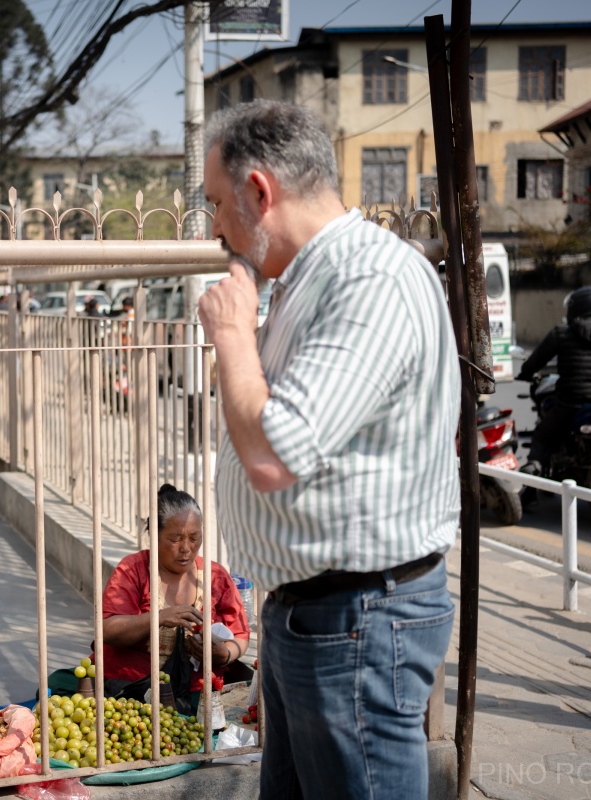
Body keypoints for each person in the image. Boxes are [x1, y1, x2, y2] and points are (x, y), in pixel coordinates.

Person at [197, 100, 459, 799]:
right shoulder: (310, 277)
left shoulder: (366, 280)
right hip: (318, 611)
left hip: (359, 618)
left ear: (260, 190)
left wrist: (231, 335)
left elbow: (274, 455)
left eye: (219, 203)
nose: (215, 226)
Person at [94, 484, 249, 712]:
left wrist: (225, 654)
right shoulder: (133, 570)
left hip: (199, 690)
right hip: (134, 687)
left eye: (194, 538)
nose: (186, 548)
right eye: (175, 539)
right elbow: (108, 628)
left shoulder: (215, 576)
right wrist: (158, 618)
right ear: (154, 536)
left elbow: (241, 634)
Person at [517, 286, 591, 476]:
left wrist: (526, 372)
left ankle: (534, 470)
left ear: (577, 308)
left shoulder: (562, 333)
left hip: (572, 402)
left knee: (542, 435)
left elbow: (536, 360)